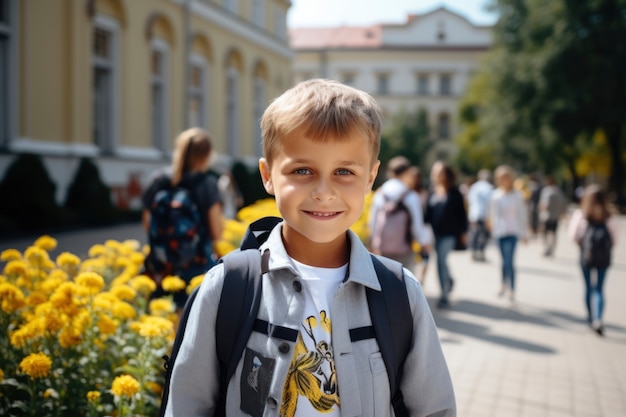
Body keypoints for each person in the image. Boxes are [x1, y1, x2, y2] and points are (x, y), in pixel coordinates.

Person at [164, 79, 456, 416]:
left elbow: (435, 409)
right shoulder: (227, 288)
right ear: (268, 175)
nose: (323, 191)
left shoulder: (400, 294)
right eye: (302, 170)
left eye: (344, 171)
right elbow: (186, 405)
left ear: (371, 177)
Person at [142, 127, 223, 308]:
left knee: (163, 312)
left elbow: (147, 221)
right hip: (197, 264)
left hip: (161, 264)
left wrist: (168, 242)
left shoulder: (159, 180)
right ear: (207, 155)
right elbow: (216, 232)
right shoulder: (207, 184)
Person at [567, 185, 617, 336]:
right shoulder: (609, 216)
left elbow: (573, 236)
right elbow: (615, 239)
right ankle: (598, 318)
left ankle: (590, 318)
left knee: (588, 287)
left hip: (586, 256)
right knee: (599, 289)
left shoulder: (581, 214)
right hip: (604, 257)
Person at [368, 156, 431, 273]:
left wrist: (373, 241)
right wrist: (423, 242)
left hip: (382, 246)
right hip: (404, 247)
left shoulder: (380, 193)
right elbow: (417, 224)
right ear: (407, 172)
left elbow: (373, 220)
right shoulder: (410, 195)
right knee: (404, 280)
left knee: (384, 278)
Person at [424, 161, 468, 309]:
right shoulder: (432, 190)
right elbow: (428, 214)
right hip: (435, 233)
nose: (436, 175)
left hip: (450, 233)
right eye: (434, 172)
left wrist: (463, 233)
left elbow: (462, 214)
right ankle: (448, 279)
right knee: (441, 261)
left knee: (440, 261)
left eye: (439, 172)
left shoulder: (455, 192)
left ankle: (444, 296)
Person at [488, 166, 528, 302]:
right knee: (503, 261)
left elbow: (522, 214)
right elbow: (493, 215)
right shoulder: (496, 195)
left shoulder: (517, 195)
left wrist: (524, 233)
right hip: (500, 231)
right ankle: (503, 284)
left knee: (509, 261)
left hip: (512, 231)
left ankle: (512, 288)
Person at [467, 168, 494, 262]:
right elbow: (490, 203)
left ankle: (474, 251)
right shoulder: (489, 187)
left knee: (475, 233)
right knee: (484, 235)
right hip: (484, 214)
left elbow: (470, 201)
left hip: (475, 214)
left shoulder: (474, 187)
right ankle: (481, 252)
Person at [538, 175, 567, 256]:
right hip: (555, 215)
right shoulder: (558, 191)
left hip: (548, 215)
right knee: (553, 233)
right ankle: (551, 249)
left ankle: (548, 248)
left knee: (547, 233)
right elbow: (563, 203)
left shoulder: (547, 191)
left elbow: (543, 204)